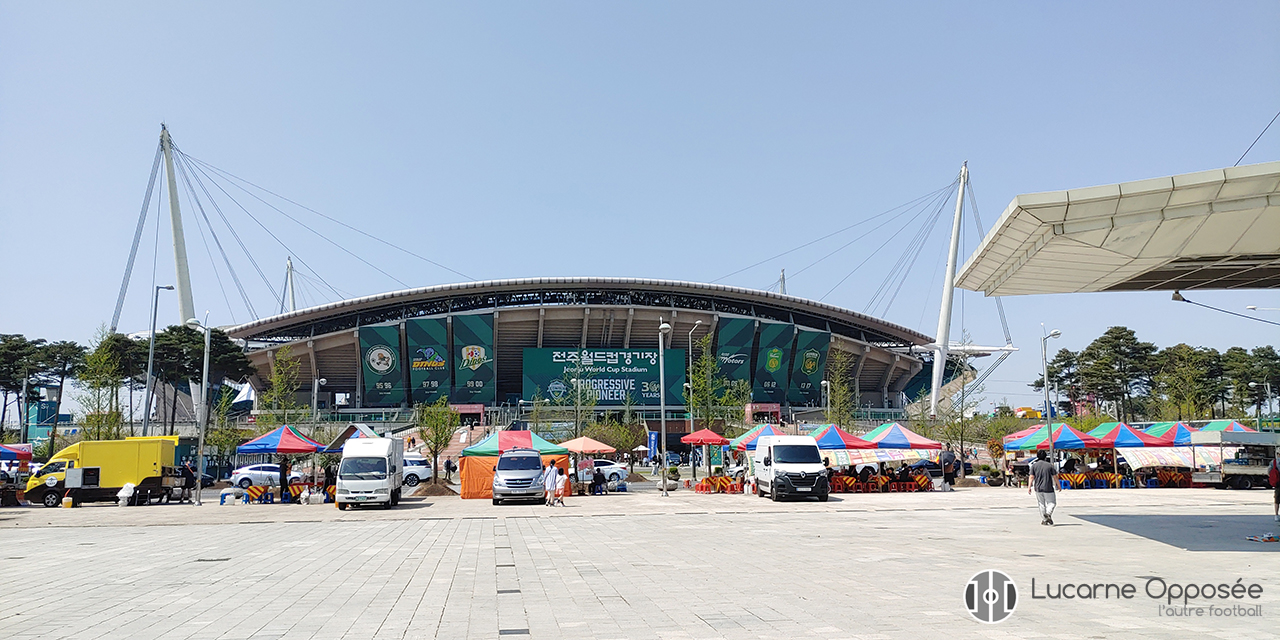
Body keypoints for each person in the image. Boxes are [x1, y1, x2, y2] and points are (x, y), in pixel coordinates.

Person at [1029, 450, 1059, 526]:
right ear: (1045, 456)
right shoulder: (1049, 465)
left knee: (1041, 504)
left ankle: (1044, 519)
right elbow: (1055, 476)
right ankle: (1048, 514)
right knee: (1052, 503)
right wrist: (1058, 485)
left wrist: (1029, 487)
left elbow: (1031, 477)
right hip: (1048, 487)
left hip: (1038, 488)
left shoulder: (1034, 466)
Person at [1270, 453, 1280, 522]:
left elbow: (1269, 471)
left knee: (1277, 499)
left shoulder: (1274, 462)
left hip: (1277, 483)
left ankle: (1276, 515)